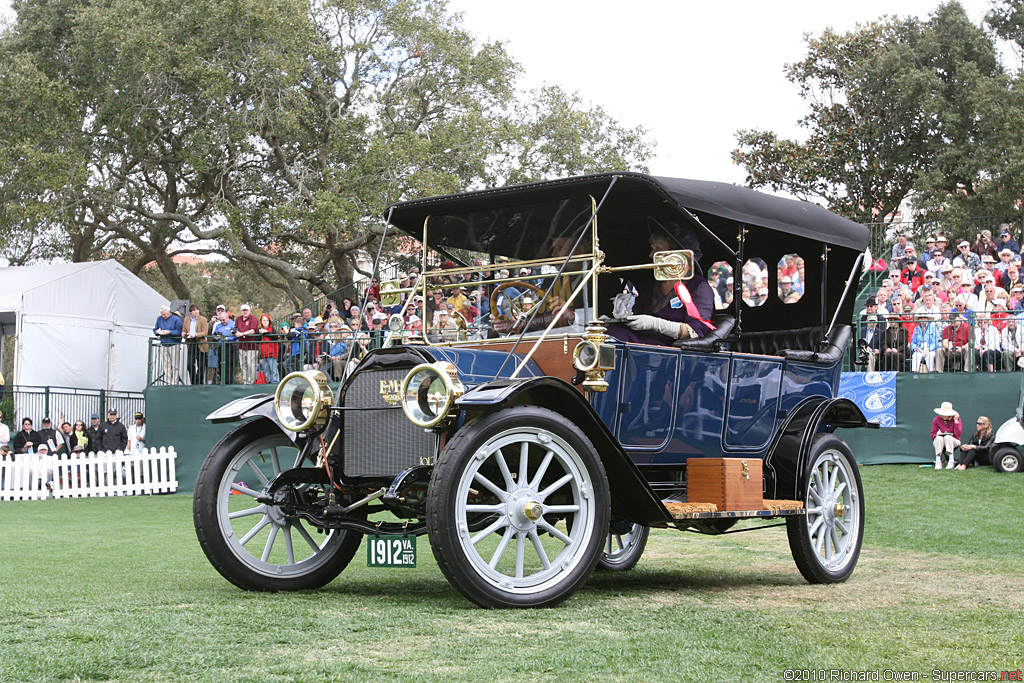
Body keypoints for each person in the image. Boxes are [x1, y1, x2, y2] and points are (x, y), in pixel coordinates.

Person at [609, 221, 715, 346]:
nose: (651, 255)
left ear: (676, 255)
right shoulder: (650, 287)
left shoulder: (698, 287)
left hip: (668, 352)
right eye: (652, 249)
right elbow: (635, 319)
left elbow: (695, 331)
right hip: (638, 342)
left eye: (657, 249)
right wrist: (614, 321)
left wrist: (655, 324)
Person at [153, 304, 183, 384]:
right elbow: (155, 329)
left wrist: (170, 332)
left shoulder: (177, 319)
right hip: (164, 344)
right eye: (162, 314)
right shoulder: (159, 319)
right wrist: (157, 332)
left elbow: (180, 332)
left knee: (175, 365)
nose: (163, 316)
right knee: (165, 364)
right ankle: (169, 381)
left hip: (174, 344)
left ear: (169, 312)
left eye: (165, 314)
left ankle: (174, 382)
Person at [184, 304, 209, 385]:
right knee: (189, 364)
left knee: (201, 365)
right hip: (191, 343)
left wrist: (195, 334)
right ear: (190, 312)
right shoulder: (186, 320)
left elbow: (205, 332)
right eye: (194, 310)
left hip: (200, 343)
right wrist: (184, 334)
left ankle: (200, 383)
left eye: (197, 310)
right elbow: (183, 330)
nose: (196, 311)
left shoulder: (203, 319)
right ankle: (194, 382)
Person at [931, 402, 962, 470]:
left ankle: (951, 460)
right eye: (943, 414)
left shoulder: (956, 419)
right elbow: (933, 434)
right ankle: (938, 461)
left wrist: (956, 422)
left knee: (947, 437)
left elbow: (957, 435)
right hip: (940, 441)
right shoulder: (936, 420)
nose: (944, 416)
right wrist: (937, 434)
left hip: (953, 440)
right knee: (939, 438)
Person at [234, 303, 259, 385]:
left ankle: (251, 382)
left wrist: (242, 334)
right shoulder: (238, 319)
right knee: (243, 365)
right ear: (241, 311)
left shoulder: (253, 318)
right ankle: (245, 382)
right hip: (241, 346)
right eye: (243, 310)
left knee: (251, 364)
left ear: (249, 311)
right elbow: (235, 328)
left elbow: (253, 330)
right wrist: (234, 332)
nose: (245, 312)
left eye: (246, 310)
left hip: (251, 346)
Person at [211, 308, 237, 384]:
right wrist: (215, 338)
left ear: (227, 318)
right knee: (220, 365)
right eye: (221, 320)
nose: (223, 321)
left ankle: (229, 382)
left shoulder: (233, 324)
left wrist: (227, 338)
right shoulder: (218, 326)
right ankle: (222, 381)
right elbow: (214, 335)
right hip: (220, 347)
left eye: (224, 320)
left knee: (229, 365)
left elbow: (236, 335)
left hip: (230, 347)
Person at [257, 314, 280, 384]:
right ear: (261, 321)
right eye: (264, 320)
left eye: (267, 320)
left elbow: (275, 337)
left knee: (273, 369)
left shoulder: (272, 329)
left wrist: (267, 333)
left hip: (272, 352)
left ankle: (275, 382)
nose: (265, 322)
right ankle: (268, 381)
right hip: (264, 353)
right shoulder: (259, 330)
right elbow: (257, 340)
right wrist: (260, 334)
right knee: (266, 369)